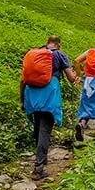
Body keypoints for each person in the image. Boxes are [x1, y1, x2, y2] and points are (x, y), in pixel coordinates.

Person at [20, 35, 78, 180]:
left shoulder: (36, 53)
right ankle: (39, 168)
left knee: (38, 126)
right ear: (59, 44)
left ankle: (41, 158)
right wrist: (76, 74)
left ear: (47, 43)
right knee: (45, 129)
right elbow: (71, 78)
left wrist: (22, 99)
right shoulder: (59, 55)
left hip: (31, 92)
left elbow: (23, 79)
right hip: (49, 91)